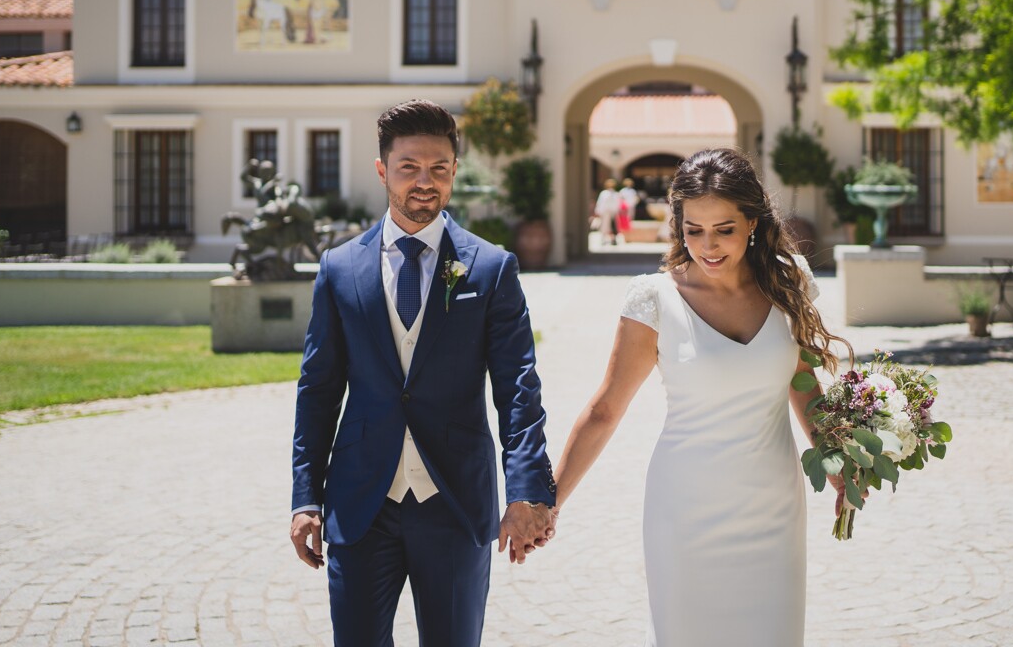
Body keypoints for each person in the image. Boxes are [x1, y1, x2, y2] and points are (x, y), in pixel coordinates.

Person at [553, 147, 853, 646]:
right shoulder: (653, 298)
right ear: (678, 225)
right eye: (694, 230)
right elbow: (605, 409)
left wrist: (839, 459)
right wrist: (548, 502)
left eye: (724, 230)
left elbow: (804, 385)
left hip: (773, 509)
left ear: (752, 222)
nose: (708, 246)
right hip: (684, 511)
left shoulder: (788, 281)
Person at [290, 100, 558, 647]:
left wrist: (526, 491)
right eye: (409, 167)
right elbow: (318, 391)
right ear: (383, 169)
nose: (424, 181)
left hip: (455, 501)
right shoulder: (340, 270)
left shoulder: (490, 267)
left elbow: (519, 390)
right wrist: (305, 498)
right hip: (362, 501)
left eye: (439, 168)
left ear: (455, 171)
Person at [594, 178, 622, 246]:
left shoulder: (614, 194)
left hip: (612, 212)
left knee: (612, 226)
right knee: (605, 226)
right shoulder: (605, 193)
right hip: (606, 212)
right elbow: (601, 203)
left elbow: (617, 203)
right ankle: (604, 239)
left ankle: (612, 239)